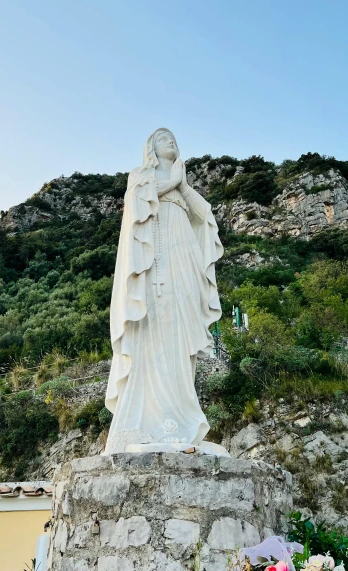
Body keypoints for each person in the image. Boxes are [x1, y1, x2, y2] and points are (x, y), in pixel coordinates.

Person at [104, 128, 227, 455]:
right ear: (151, 149)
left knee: (182, 328)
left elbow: (205, 215)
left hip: (182, 254)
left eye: (173, 138)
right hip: (154, 258)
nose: (170, 141)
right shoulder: (140, 175)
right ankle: (150, 420)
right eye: (162, 138)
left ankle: (183, 415)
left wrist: (183, 186)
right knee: (154, 325)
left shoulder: (181, 183)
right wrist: (173, 182)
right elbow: (138, 203)